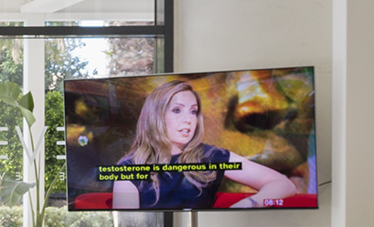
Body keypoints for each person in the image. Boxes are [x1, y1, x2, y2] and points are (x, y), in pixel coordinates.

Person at [105, 79, 299, 209]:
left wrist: (248, 204)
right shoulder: (129, 168)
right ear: (155, 116)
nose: (188, 120)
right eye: (177, 110)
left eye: (193, 111)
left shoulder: (211, 157)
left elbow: (283, 184)